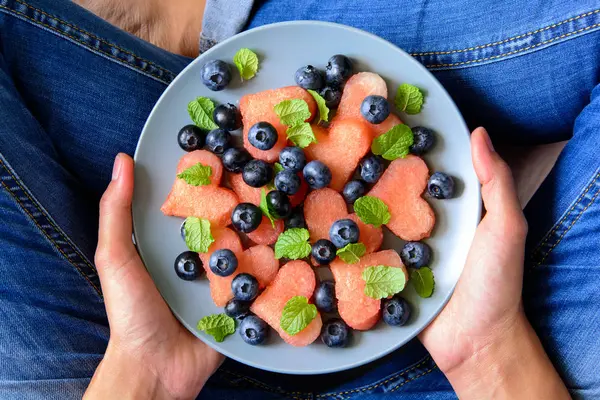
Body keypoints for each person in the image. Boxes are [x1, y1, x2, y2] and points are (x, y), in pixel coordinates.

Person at [0, 0, 598, 398]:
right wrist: (491, 352)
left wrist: (146, 371)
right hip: (491, 358)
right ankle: (235, 30)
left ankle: (217, 37)